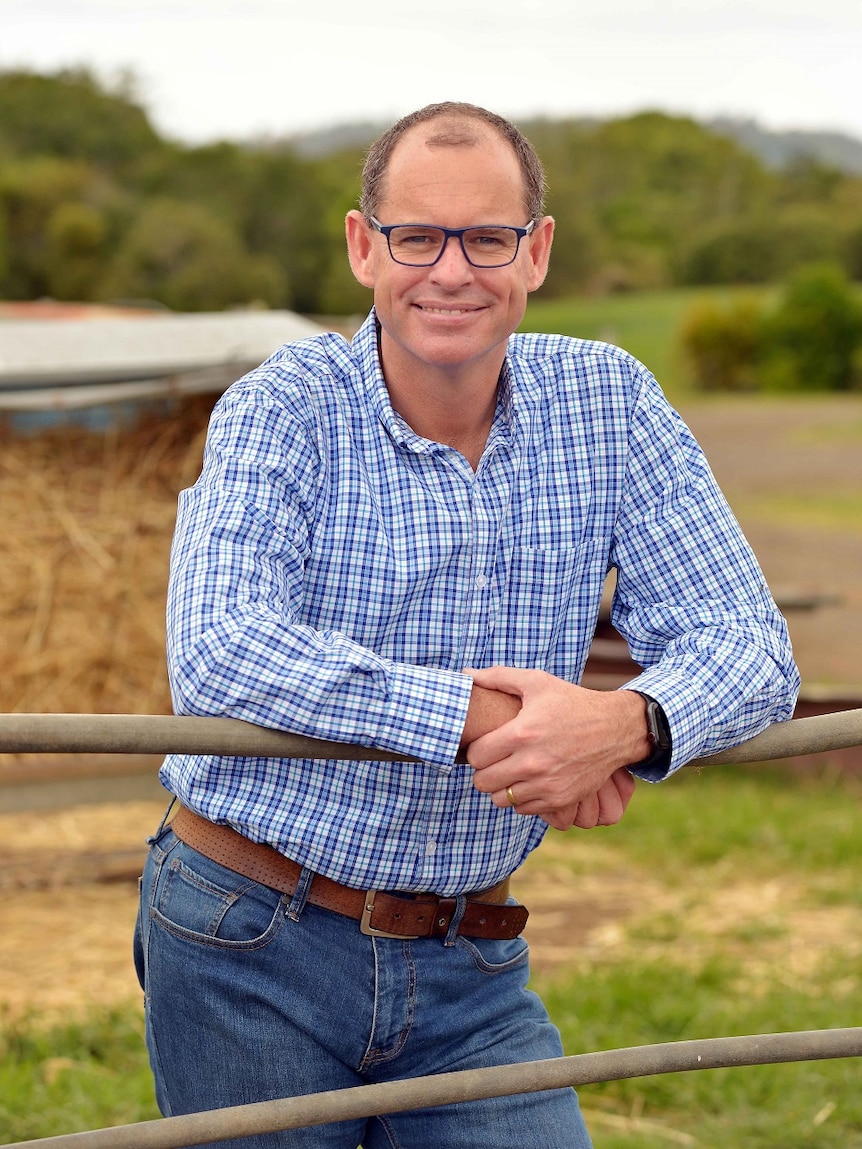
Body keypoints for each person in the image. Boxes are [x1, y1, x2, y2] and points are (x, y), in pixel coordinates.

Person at [134, 101, 799, 1148]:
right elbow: (220, 651)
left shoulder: (610, 404)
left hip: (470, 953)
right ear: (364, 247)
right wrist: (488, 718)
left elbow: (749, 644)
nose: (451, 271)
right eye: (416, 237)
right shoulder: (281, 408)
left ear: (534, 253)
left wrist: (622, 726)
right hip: (249, 934)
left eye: (487, 238)